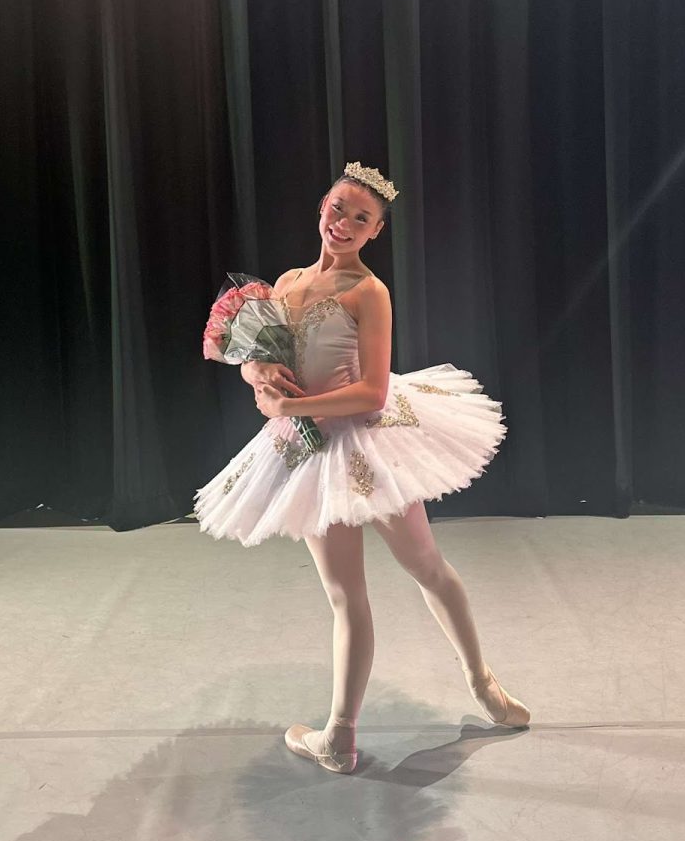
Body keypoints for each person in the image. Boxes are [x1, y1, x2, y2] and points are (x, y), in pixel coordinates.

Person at [195, 161, 530, 775]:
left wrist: (290, 403)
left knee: (426, 566)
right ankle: (339, 737)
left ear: (375, 232)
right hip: (307, 453)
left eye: (361, 218)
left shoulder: (367, 292)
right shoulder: (288, 282)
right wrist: (258, 374)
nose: (344, 223)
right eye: (339, 208)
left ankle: (481, 682)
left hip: (367, 446)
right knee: (345, 596)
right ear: (321, 205)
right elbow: (258, 358)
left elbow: (372, 393)